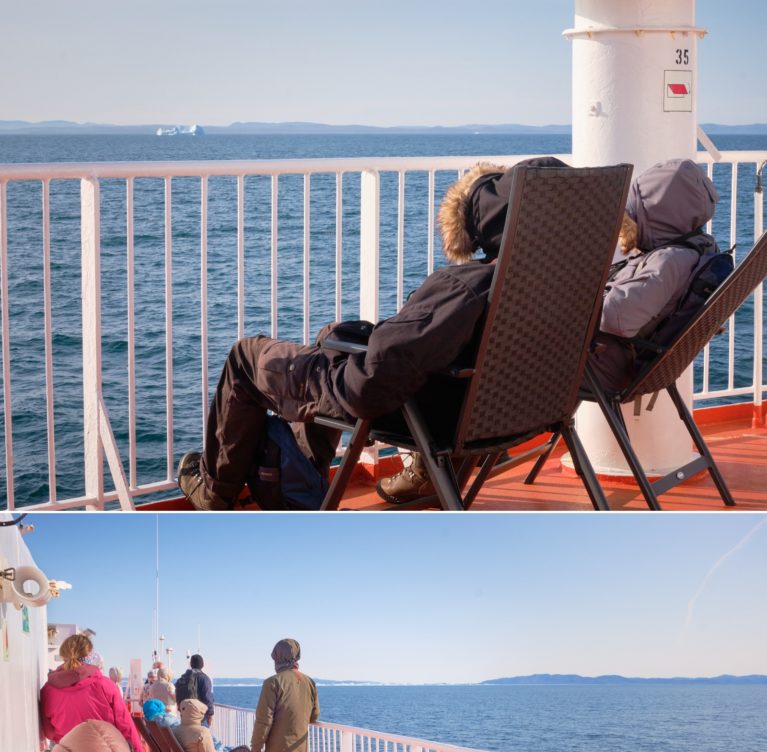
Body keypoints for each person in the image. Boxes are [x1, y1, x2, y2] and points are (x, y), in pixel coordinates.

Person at [176, 157, 573, 510]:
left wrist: (336, 364)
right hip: (503, 413)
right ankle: (299, 481)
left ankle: (215, 492)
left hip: (407, 408)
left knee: (246, 357)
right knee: (335, 334)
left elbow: (370, 383)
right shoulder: (564, 284)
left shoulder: (466, 288)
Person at [376, 156, 722, 501]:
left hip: (588, 364)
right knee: (471, 330)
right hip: (611, 359)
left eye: (637, 205)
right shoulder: (689, 251)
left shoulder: (666, 262)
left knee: (465, 345)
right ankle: (460, 454)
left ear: (656, 210)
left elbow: (616, 317)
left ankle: (444, 457)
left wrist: (564, 289)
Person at [40, 633, 147, 752]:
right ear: (89, 655)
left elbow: (49, 732)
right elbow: (126, 729)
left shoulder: (47, 690)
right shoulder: (105, 685)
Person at [175, 654, 214, 725]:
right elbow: (207, 697)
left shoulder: (183, 678)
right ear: (202, 665)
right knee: (203, 734)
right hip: (199, 716)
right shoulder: (204, 678)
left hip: (185, 714)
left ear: (191, 664)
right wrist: (210, 714)